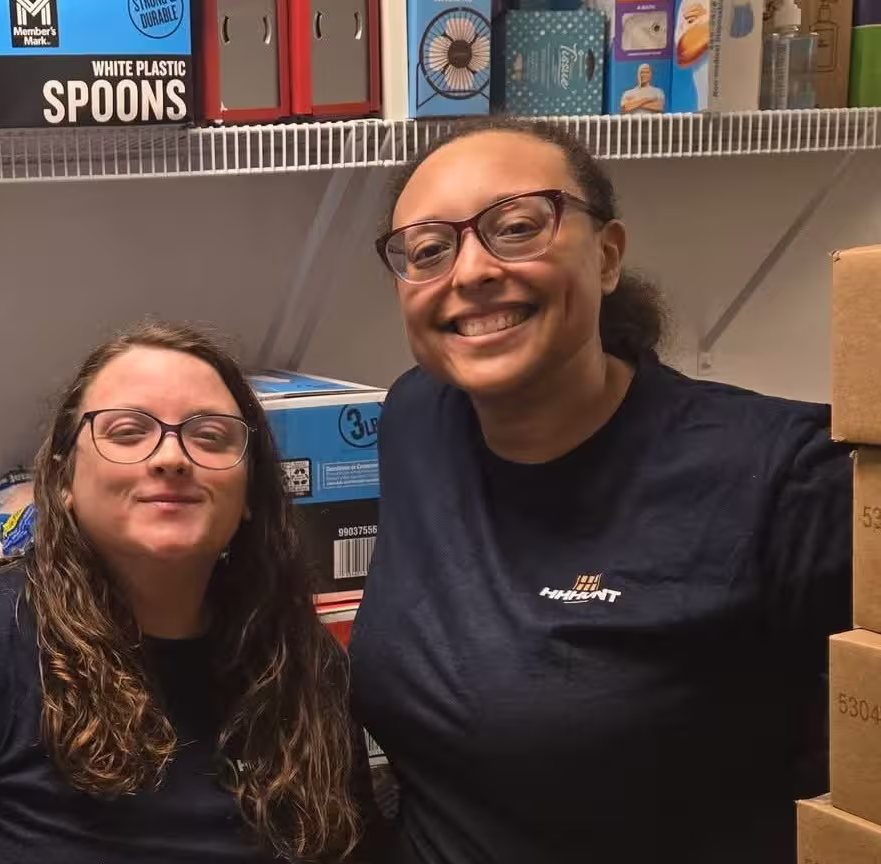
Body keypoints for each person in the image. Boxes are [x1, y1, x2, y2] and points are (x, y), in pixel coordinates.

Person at [350, 118, 851, 864]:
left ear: (607, 255)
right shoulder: (416, 418)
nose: (471, 270)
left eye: (516, 228)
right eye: (429, 250)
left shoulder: (784, 477)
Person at [0, 322, 367, 864]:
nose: (171, 457)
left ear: (248, 493)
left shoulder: (303, 663)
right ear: (64, 480)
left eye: (210, 436)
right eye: (127, 431)